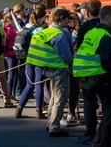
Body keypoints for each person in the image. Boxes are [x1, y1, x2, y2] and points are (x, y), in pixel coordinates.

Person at [26, 8, 74, 137]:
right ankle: (54, 126)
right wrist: (72, 62)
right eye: (67, 18)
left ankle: (50, 123)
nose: (69, 21)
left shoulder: (47, 31)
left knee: (54, 97)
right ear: (61, 18)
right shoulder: (59, 35)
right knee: (60, 97)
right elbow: (67, 57)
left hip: (49, 69)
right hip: (60, 69)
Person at [73, 5, 111, 146]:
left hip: (82, 74)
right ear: (108, 17)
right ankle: (104, 142)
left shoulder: (92, 31)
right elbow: (106, 62)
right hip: (99, 75)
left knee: (91, 105)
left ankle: (95, 138)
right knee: (110, 110)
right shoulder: (107, 35)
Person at [74, 0, 102, 145]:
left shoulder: (85, 28)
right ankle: (107, 132)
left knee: (89, 103)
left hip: (88, 70)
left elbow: (79, 46)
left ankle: (90, 133)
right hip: (104, 69)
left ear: (87, 11)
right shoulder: (106, 26)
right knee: (108, 103)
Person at [14, 7, 47, 119]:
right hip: (39, 60)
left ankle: (19, 109)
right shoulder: (40, 30)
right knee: (39, 85)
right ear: (41, 17)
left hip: (28, 59)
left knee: (29, 85)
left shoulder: (26, 27)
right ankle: (39, 111)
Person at [2, 12, 18, 102]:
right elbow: (17, 37)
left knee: (10, 74)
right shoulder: (10, 30)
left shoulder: (4, 28)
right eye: (13, 19)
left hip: (6, 53)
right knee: (12, 74)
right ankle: (10, 94)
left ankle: (10, 93)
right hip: (11, 53)